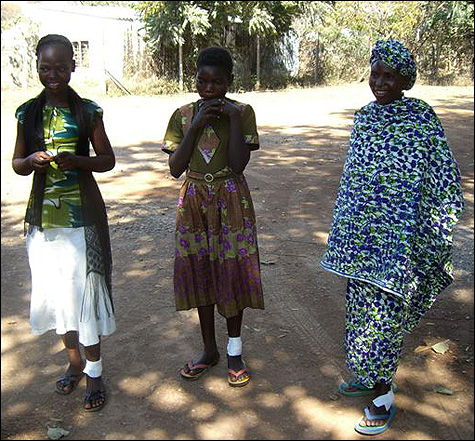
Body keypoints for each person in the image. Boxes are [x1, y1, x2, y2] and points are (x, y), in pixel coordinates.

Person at [320, 39, 464, 435]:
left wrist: (434, 223)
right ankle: (368, 376)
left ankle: (383, 396)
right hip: (362, 239)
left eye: (390, 76)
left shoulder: (420, 117)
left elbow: (440, 174)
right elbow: (356, 180)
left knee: (384, 317)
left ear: (406, 80)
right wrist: (349, 229)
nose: (380, 82)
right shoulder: (364, 118)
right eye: (375, 73)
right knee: (360, 310)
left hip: (399, 243)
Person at [12, 34, 116, 412]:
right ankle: (74, 363)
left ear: (73, 66)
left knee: (84, 296)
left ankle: (95, 372)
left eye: (60, 67)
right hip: (43, 222)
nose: (52, 74)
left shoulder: (87, 111)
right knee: (58, 294)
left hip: (81, 220)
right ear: (36, 67)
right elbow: (17, 164)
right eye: (45, 67)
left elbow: (107, 159)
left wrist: (78, 162)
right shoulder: (27, 113)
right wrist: (32, 161)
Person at [161, 46, 264, 387]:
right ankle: (209, 350)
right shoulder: (182, 114)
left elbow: (237, 164)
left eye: (217, 83)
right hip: (193, 200)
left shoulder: (243, 112)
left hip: (230, 197)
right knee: (201, 270)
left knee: (232, 270)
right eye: (202, 81)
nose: (209, 89)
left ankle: (234, 351)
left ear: (229, 82)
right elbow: (176, 168)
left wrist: (231, 118)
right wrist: (195, 127)